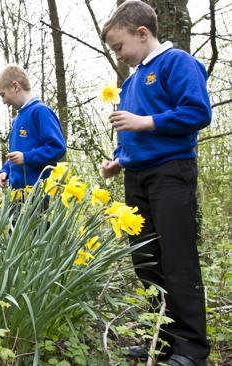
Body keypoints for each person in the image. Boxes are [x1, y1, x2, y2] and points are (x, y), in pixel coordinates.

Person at [100, 2, 210, 365]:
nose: (119, 55)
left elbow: (197, 112)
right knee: (146, 260)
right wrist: (119, 160)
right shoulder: (131, 81)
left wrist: (144, 122)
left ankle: (191, 349)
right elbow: (132, 132)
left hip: (171, 172)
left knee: (177, 259)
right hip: (138, 177)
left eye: (119, 46)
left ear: (142, 33)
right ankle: (161, 340)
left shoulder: (177, 62)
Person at [0, 64, 66, 190]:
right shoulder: (16, 119)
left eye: (3, 95)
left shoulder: (40, 111)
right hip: (16, 192)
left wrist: (26, 157)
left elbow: (57, 147)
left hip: (37, 193)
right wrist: (5, 171)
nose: (4, 101)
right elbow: (15, 155)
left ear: (16, 86)